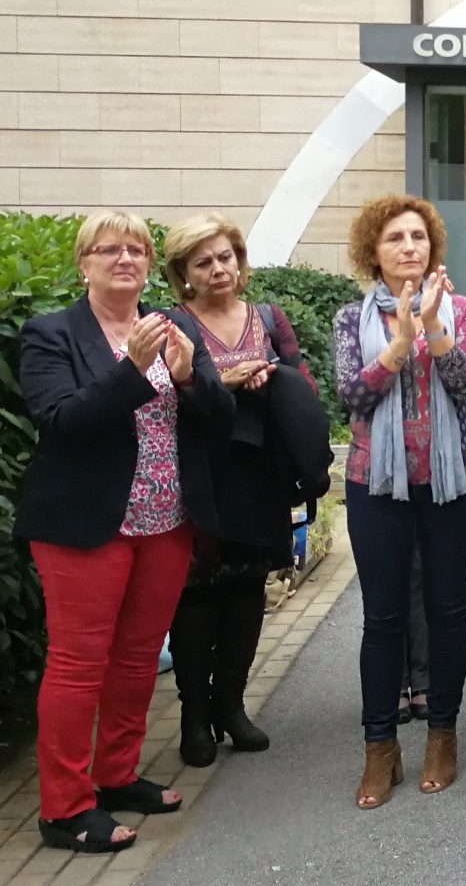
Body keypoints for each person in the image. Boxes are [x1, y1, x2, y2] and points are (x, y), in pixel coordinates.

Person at [19, 213, 231, 853]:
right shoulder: (51, 334)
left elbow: (219, 420)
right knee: (78, 665)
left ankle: (116, 776)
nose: (124, 258)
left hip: (166, 521)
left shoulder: (173, 325)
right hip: (87, 526)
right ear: (83, 262)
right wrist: (133, 370)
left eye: (136, 249)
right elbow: (62, 421)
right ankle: (64, 809)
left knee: (138, 659)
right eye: (108, 248)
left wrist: (190, 376)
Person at [334, 196, 466, 808]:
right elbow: (353, 395)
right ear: (373, 251)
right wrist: (398, 341)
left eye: (418, 237)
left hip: (454, 483)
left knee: (448, 609)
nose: (409, 247)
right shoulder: (352, 318)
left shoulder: (462, 310)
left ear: (433, 247)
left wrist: (431, 327)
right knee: (383, 617)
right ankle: (380, 748)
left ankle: (442, 736)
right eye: (395, 238)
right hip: (376, 484)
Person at [165, 215, 328, 767]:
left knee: (247, 589)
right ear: (184, 273)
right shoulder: (172, 323)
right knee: (197, 596)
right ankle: (194, 717)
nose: (218, 269)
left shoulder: (268, 317)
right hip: (200, 475)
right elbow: (161, 398)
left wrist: (274, 377)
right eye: (203, 262)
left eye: (225, 257)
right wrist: (222, 381)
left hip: (260, 474)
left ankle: (231, 707)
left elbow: (304, 383)